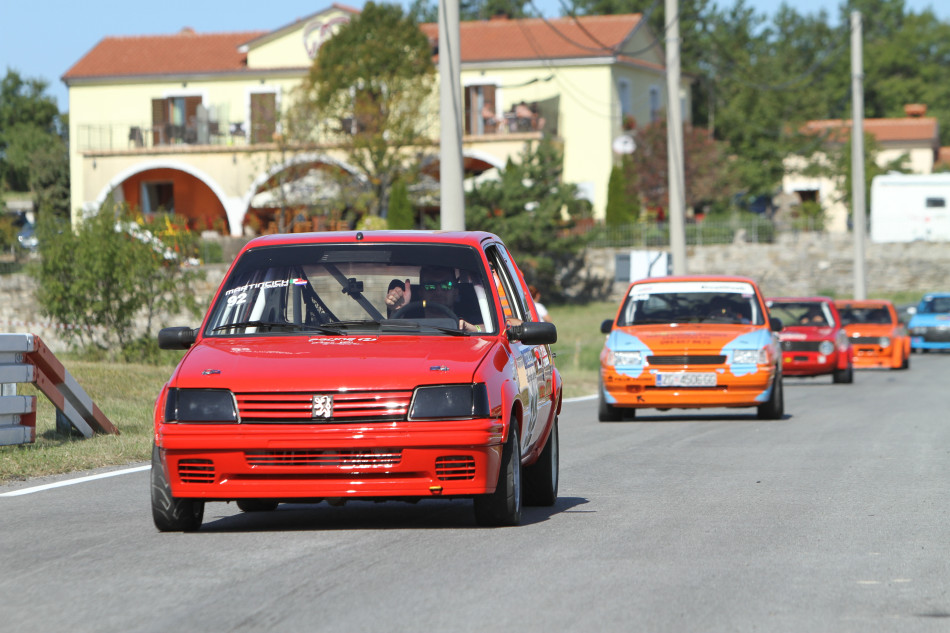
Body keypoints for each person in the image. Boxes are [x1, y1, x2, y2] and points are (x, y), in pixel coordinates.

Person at [386, 267, 484, 332]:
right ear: (420, 293)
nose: (438, 292)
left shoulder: (468, 321)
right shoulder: (410, 324)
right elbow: (390, 336)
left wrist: (474, 329)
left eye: (446, 285)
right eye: (430, 286)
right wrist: (397, 311)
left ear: (456, 292)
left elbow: (490, 329)